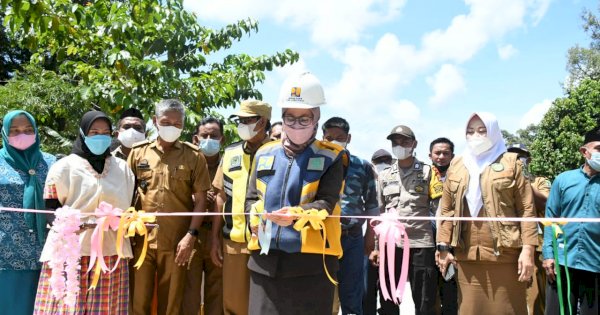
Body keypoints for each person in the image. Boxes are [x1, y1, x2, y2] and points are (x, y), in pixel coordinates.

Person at [245, 72, 348, 314]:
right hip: (265, 261)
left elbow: (326, 202)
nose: (297, 124)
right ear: (282, 118)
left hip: (312, 263)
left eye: (304, 119)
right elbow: (250, 198)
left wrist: (296, 215)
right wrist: (254, 218)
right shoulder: (263, 153)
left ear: (316, 119)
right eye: (291, 118)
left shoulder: (332, 156)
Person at [34, 110, 135, 314]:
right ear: (82, 133)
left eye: (105, 132)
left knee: (106, 308)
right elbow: (50, 209)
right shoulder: (63, 167)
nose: (100, 137)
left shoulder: (123, 168)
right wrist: (72, 226)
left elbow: (129, 206)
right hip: (70, 251)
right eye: (94, 132)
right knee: (66, 306)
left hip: (110, 252)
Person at [437, 112, 537, 315]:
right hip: (467, 256)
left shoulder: (512, 163)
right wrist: (443, 247)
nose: (476, 136)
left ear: (493, 133)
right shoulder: (457, 165)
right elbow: (446, 210)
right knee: (470, 309)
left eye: (482, 131)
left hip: (506, 255)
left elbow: (526, 209)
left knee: (508, 309)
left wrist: (528, 250)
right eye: (470, 131)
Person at [128, 99, 211, 315]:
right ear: (155, 121)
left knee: (171, 305)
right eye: (166, 122)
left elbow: (201, 199)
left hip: (177, 242)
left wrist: (191, 236)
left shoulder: (194, 156)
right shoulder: (138, 153)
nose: (171, 127)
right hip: (141, 241)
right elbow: (127, 194)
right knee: (137, 302)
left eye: (177, 123)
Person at [368, 124, 438, 315]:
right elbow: (379, 213)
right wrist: (376, 247)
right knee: (389, 296)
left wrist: (442, 246)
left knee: (424, 298)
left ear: (414, 143)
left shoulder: (428, 172)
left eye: (405, 141)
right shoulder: (384, 176)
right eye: (395, 142)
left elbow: (439, 210)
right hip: (391, 244)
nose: (400, 145)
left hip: (420, 242)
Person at [211, 100, 272, 315]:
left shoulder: (279, 152)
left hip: (268, 244)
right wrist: (215, 238)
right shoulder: (230, 153)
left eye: (247, 120)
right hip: (234, 243)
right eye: (240, 121)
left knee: (266, 305)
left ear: (262, 121)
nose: (242, 125)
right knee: (234, 305)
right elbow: (220, 197)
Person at [0, 110, 56, 315]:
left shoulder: (51, 163)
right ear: (5, 133)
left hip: (45, 255)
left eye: (27, 130)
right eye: (14, 130)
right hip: (5, 255)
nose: (21, 134)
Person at [322, 117, 378, 315]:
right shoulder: (317, 164)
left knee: (352, 296)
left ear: (349, 138)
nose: (334, 141)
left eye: (340, 137)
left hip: (351, 238)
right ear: (322, 137)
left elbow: (372, 205)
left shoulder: (362, 166)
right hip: (322, 239)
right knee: (322, 295)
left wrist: (369, 238)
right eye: (329, 137)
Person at [542, 126, 600, 315]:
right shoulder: (563, 180)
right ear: (585, 151)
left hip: (595, 264)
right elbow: (551, 219)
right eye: (599, 148)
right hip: (562, 263)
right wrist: (549, 254)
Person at [183, 117, 225, 315]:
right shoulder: (186, 163)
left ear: (222, 139)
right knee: (189, 294)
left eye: (214, 136)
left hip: (218, 237)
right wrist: (193, 196)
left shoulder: (229, 164)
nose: (209, 139)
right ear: (195, 139)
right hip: (192, 236)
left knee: (216, 293)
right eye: (205, 136)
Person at [507, 143, 550, 315]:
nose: (517, 159)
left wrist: (523, 181)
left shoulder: (539, 181)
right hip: (509, 245)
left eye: (521, 156)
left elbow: (545, 202)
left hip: (535, 247)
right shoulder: (500, 182)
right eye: (512, 155)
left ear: (528, 160)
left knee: (535, 298)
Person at [428, 137, 457, 315]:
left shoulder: (460, 175)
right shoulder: (424, 175)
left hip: (452, 240)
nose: (441, 156)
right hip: (428, 239)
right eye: (437, 153)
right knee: (430, 288)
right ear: (430, 155)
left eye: (446, 153)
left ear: (452, 155)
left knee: (450, 283)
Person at [363, 148, 392, 315]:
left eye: (386, 160)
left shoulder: (396, 180)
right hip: (368, 241)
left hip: (389, 242)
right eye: (379, 161)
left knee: (388, 287)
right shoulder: (365, 181)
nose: (383, 164)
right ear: (373, 163)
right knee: (367, 289)